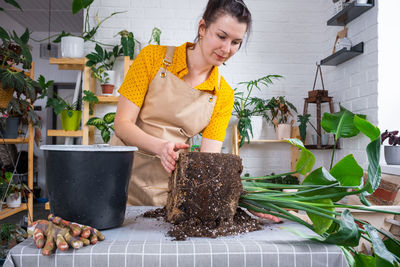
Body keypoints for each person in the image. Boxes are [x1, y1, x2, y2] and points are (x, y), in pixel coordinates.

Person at [112, 0, 279, 223]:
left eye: (236, 42)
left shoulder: (223, 95)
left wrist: (248, 200)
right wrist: (161, 148)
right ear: (202, 28)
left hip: (164, 191)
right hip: (117, 178)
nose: (226, 49)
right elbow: (122, 124)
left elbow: (209, 161)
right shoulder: (152, 58)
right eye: (221, 36)